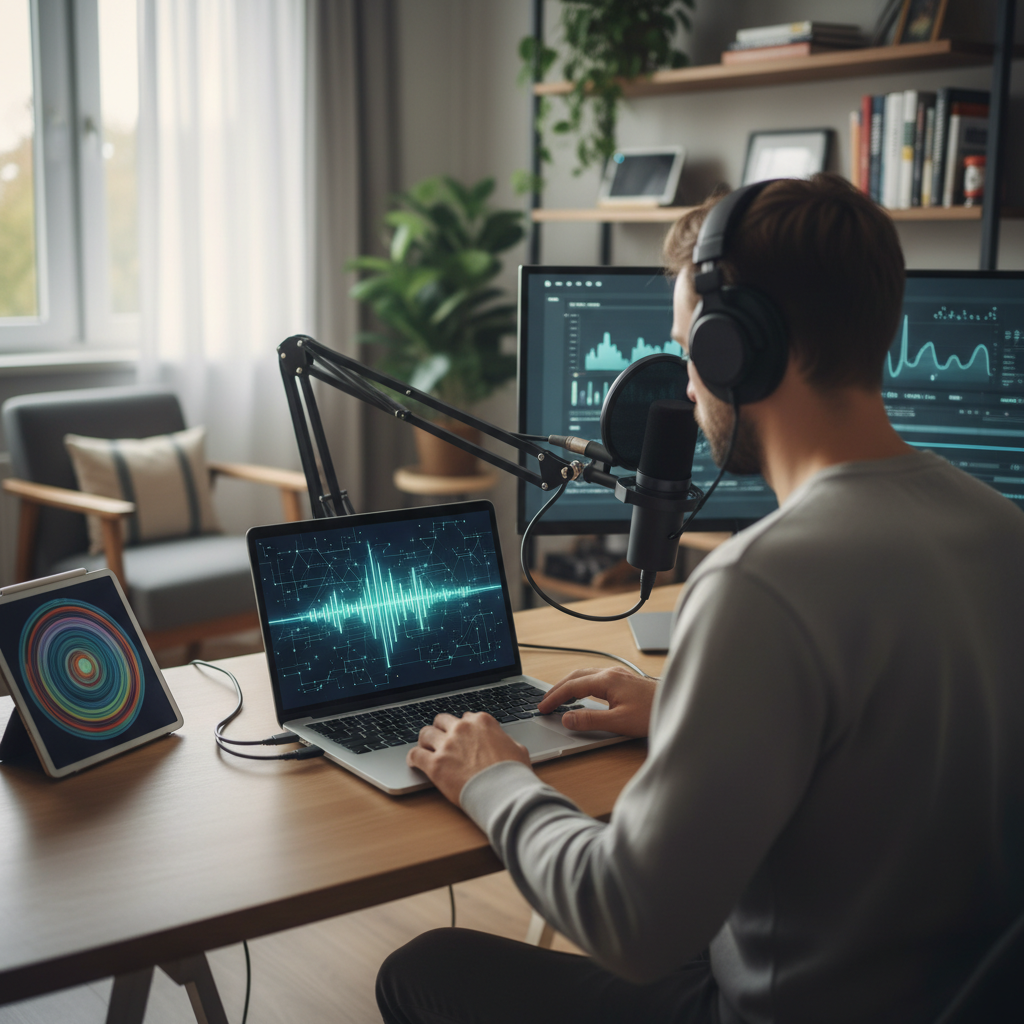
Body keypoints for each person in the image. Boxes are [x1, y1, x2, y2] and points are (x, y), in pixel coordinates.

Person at [375, 174, 1024, 1024]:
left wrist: (494, 779)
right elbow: (888, 743)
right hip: (940, 994)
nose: (685, 384)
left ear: (736, 350)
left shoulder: (760, 582)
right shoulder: (1002, 529)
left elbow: (629, 922)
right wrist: (688, 706)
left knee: (422, 969)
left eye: (689, 349)